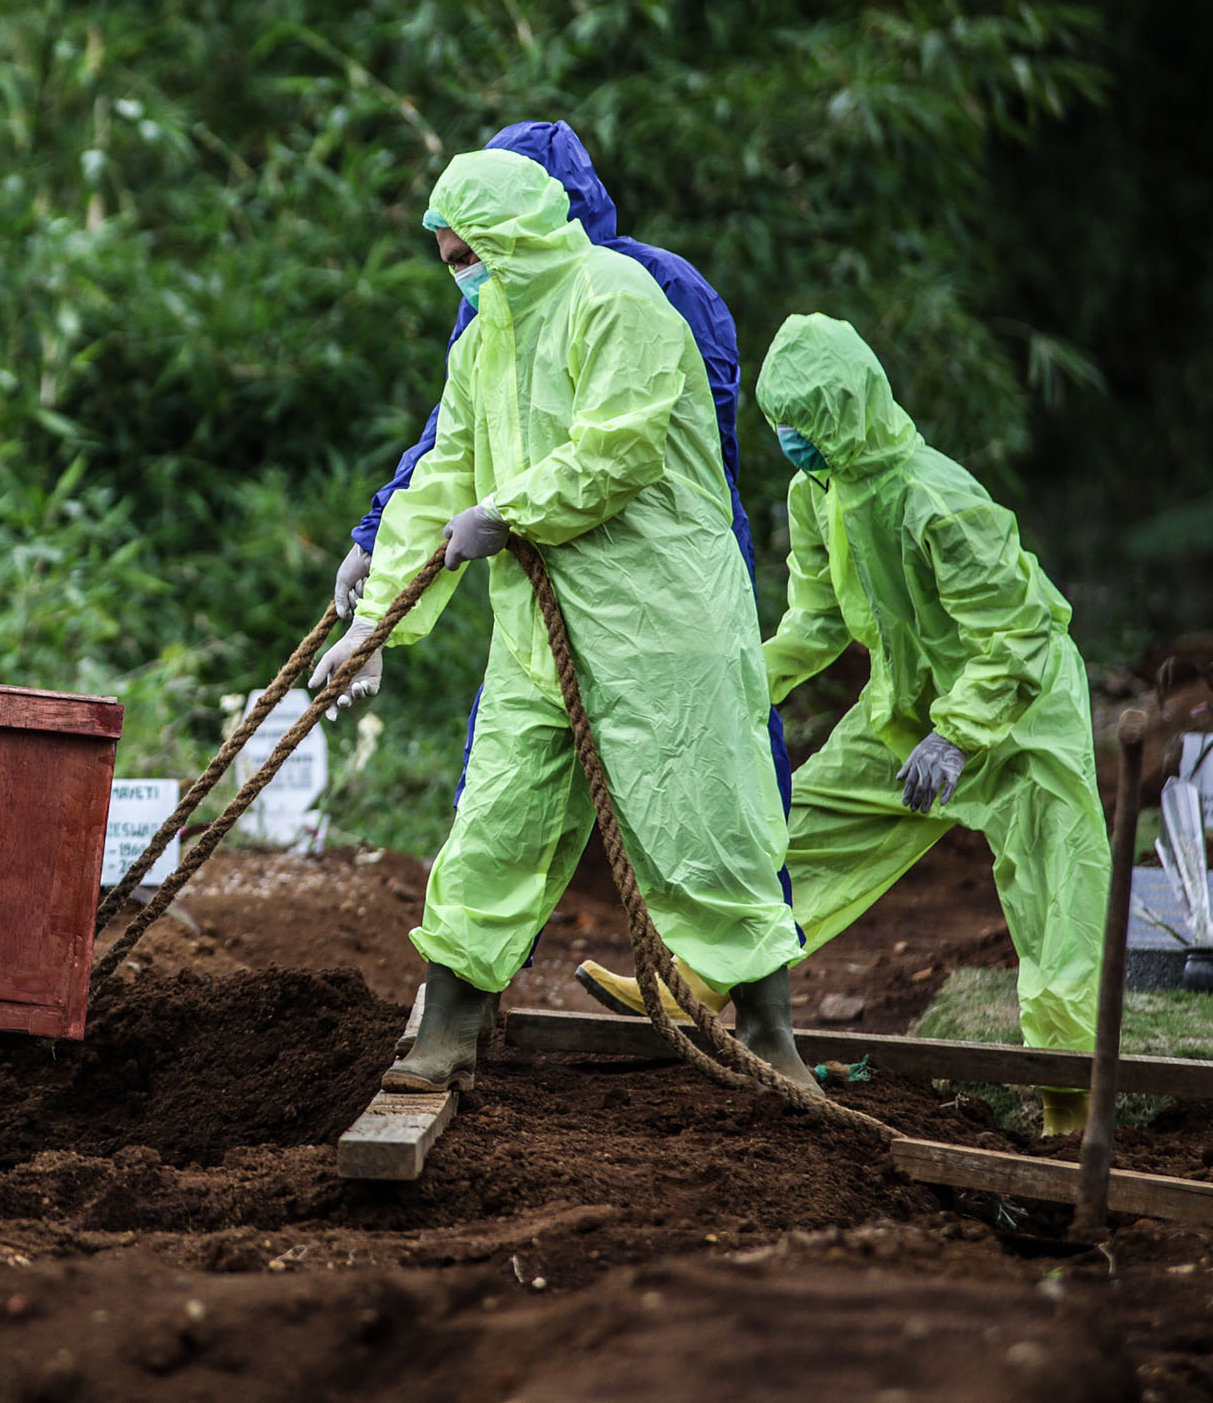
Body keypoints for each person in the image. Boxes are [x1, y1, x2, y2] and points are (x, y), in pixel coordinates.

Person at [310, 147, 810, 1090]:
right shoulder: (484, 337)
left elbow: (619, 449)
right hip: (539, 638)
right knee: (497, 823)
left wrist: (508, 512)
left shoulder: (617, 296)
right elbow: (442, 473)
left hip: (660, 621)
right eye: (450, 260)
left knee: (709, 823)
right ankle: (448, 1032)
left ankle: (770, 1036)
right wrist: (370, 629)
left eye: (469, 254)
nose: (462, 274)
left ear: (514, 232)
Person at [577, 314, 1109, 1134]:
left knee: (1061, 907)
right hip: (906, 712)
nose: (790, 439)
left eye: (805, 421)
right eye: (780, 423)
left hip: (1021, 718)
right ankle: (698, 983)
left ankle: (1071, 1111)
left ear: (848, 407)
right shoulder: (816, 490)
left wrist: (958, 733)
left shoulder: (937, 499)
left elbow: (1019, 636)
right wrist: (738, 686)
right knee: (792, 834)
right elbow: (818, 620)